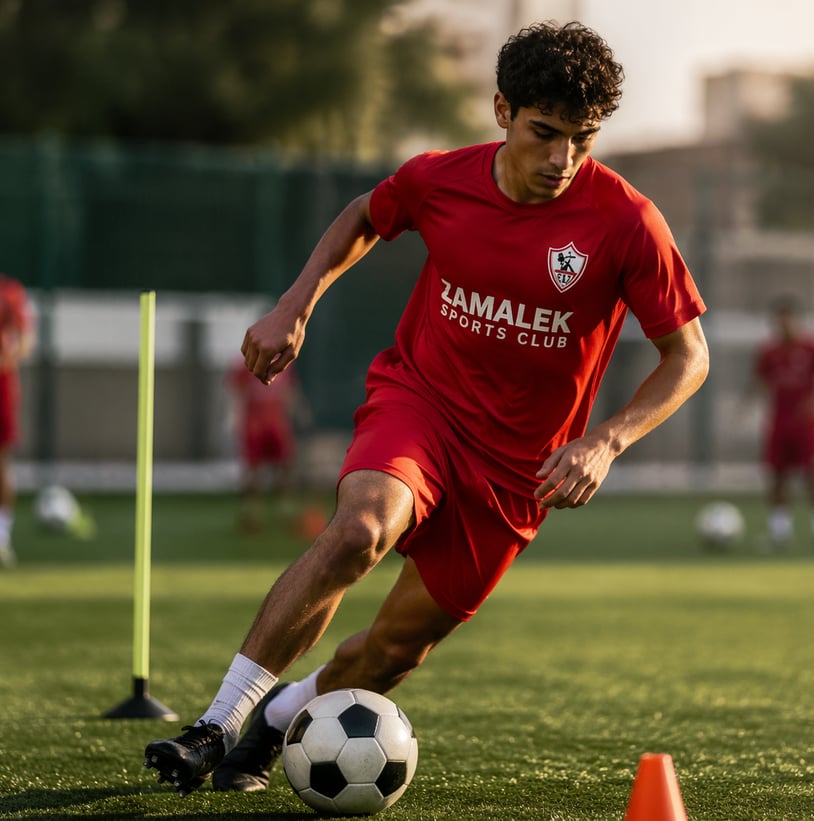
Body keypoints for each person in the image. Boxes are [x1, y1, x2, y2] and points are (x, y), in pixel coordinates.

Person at [144, 21, 709, 797]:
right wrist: (295, 304)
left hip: (517, 472)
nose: (562, 159)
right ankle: (215, 724)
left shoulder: (628, 221)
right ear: (502, 110)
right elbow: (365, 214)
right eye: (545, 133)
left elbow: (689, 356)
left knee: (392, 651)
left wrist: (606, 441)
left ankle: (278, 717)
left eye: (583, 139)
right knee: (360, 529)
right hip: (422, 405)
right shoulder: (441, 179)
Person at [753, 296, 814, 552]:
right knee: (778, 477)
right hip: (780, 422)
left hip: (807, 425)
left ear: (797, 320)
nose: (783, 324)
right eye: (779, 320)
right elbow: (761, 378)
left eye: (787, 319)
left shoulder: (812, 347)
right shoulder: (769, 352)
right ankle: (779, 533)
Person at [225, 356, 305, 533]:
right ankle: (252, 512)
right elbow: (236, 392)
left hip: (277, 420)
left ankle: (285, 511)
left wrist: (297, 413)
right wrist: (233, 419)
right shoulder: (245, 364)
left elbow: (290, 390)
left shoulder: (284, 363)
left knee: (285, 465)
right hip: (254, 423)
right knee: (253, 469)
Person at [0, 273, 34, 569]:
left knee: (2, 463)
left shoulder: (9, 292)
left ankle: (2, 536)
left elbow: (26, 339)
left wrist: (6, 360)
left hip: (2, 387)